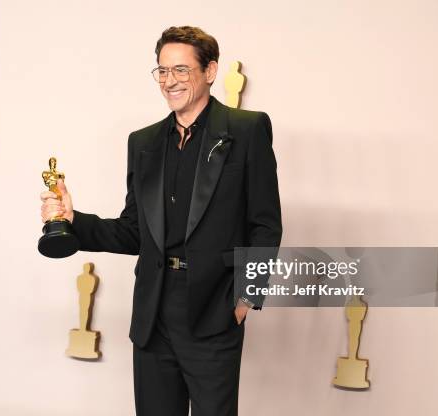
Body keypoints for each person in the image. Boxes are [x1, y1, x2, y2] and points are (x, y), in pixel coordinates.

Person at [40, 26, 282, 416]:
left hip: (213, 310)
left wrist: (245, 298)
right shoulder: (144, 142)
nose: (170, 81)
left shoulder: (246, 129)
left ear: (210, 71)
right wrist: (72, 220)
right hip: (153, 314)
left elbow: (265, 225)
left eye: (182, 70)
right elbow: (134, 231)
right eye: (163, 71)